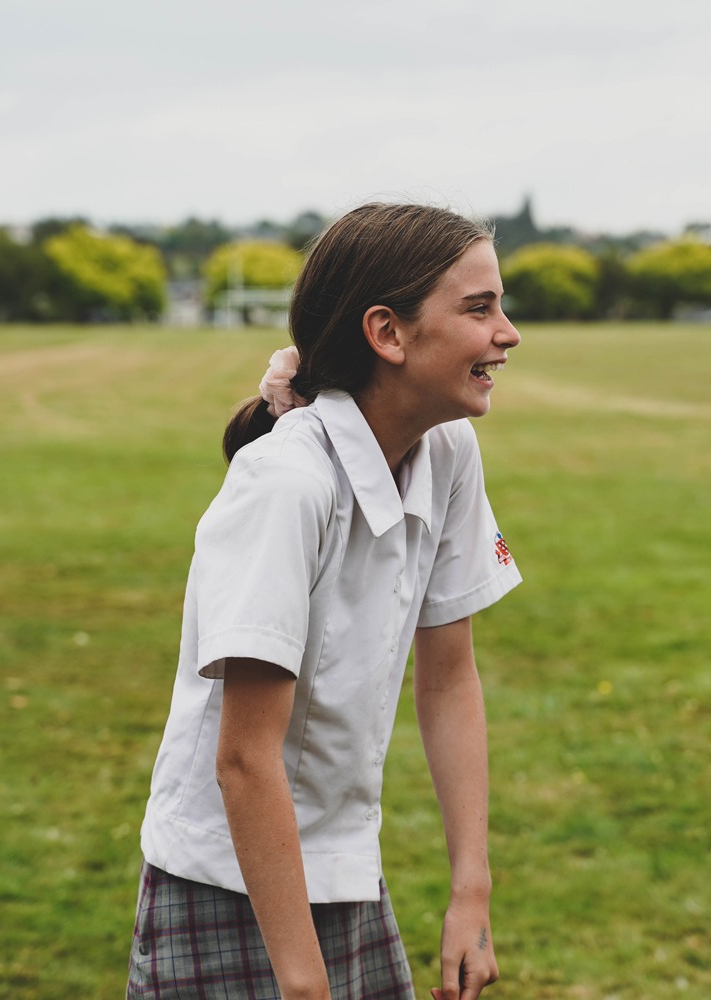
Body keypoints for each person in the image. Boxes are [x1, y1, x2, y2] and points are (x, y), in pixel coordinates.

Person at [126, 202, 522, 1000]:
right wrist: (304, 987)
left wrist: (469, 891)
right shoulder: (286, 484)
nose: (508, 333)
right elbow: (244, 759)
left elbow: (449, 680)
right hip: (228, 884)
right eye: (479, 309)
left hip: (346, 875)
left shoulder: (447, 450)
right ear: (389, 333)